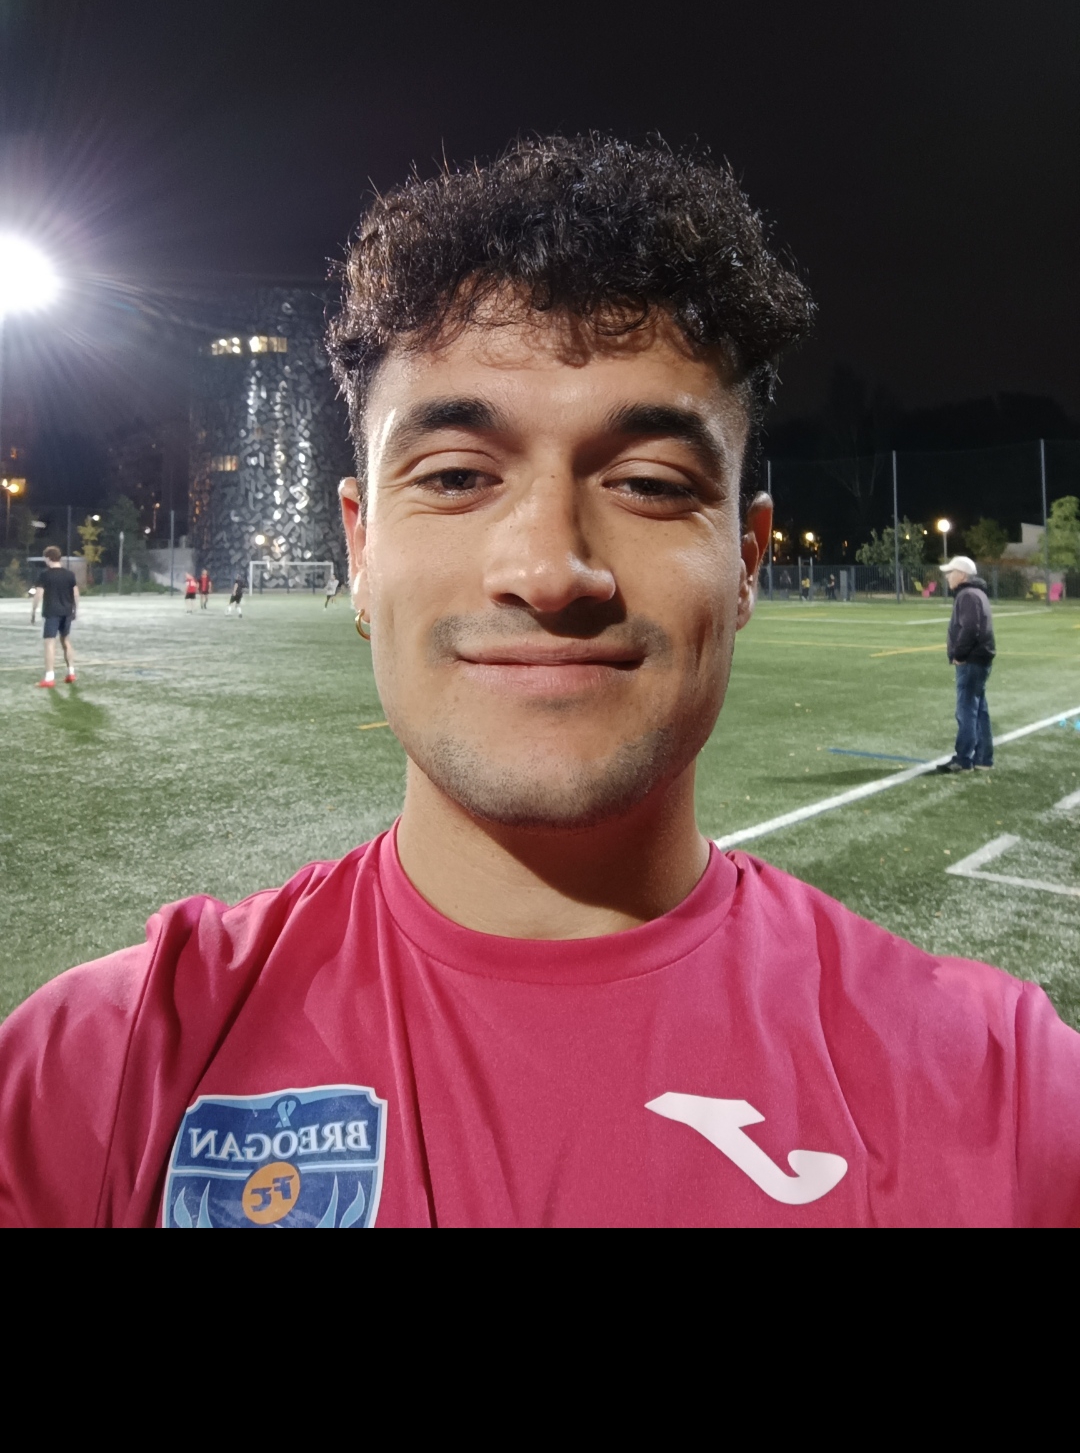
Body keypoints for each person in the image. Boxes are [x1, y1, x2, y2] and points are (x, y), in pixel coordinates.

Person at [1, 134, 1078, 1230]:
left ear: (747, 562)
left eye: (650, 484)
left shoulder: (1008, 1099)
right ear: (360, 550)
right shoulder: (94, 1077)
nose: (551, 568)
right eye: (456, 475)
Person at [936, 553, 995, 773]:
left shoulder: (968, 595)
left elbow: (970, 628)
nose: (947, 577)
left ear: (961, 575)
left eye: (950, 572)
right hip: (979, 658)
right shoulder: (976, 593)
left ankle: (963, 759)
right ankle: (983, 758)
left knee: (967, 710)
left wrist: (959, 654)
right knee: (979, 710)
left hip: (971, 660)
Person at [32, 545, 78, 690]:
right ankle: (71, 673)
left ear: (48, 558)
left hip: (52, 612)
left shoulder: (45, 575)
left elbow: (38, 594)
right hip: (67, 612)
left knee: (49, 643)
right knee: (66, 641)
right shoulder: (69, 574)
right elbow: (75, 594)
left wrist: (33, 611)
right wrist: (75, 610)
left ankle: (49, 677)